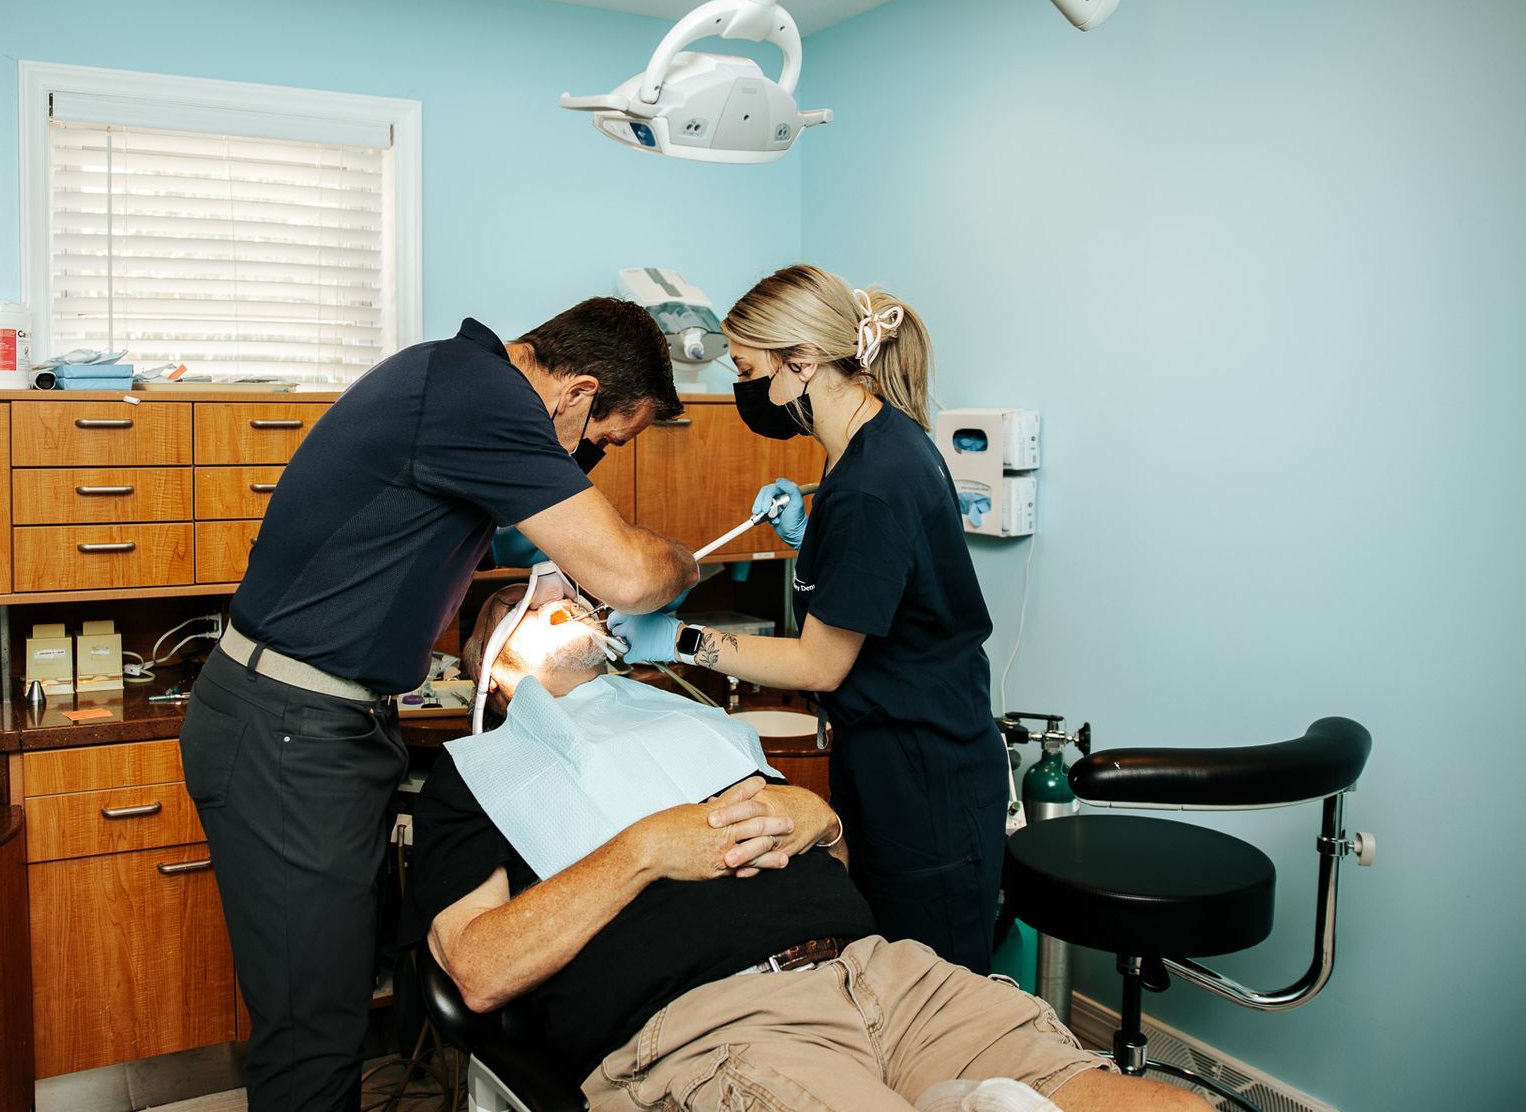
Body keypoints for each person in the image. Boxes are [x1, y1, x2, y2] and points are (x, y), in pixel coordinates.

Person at [180, 299, 700, 1111]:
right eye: (601, 440)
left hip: (323, 720)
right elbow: (631, 576)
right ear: (576, 392)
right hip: (289, 727)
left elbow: (429, 536)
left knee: (345, 993)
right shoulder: (483, 397)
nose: (590, 460)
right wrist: (680, 563)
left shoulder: (455, 383)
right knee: (311, 1024)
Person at [401, 591, 1209, 1112]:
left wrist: (822, 819)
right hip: (719, 1025)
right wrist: (642, 850)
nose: (575, 604)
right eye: (542, 606)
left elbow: (830, 871)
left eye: (581, 597)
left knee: (1167, 1109)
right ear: (492, 661)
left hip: (887, 978)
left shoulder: (692, 724)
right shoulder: (479, 778)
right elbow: (478, 970)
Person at [608, 265, 1007, 973]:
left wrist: (677, 639)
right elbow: (888, 580)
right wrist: (808, 537)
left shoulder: (870, 486)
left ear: (802, 365)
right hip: (909, 747)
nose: (743, 388)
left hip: (922, 771)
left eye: (747, 369)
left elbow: (821, 663)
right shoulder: (883, 443)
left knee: (932, 988)